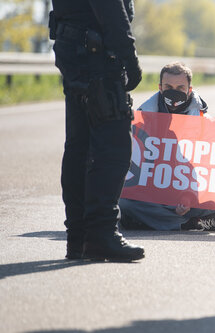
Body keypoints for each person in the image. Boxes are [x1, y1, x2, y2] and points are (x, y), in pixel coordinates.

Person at [50, 0, 145, 261]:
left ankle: (79, 238)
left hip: (75, 48)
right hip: (96, 54)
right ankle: (101, 235)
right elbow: (108, 6)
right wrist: (129, 56)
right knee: (112, 148)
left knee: (80, 145)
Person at [118, 62, 215, 232]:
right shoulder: (141, 119)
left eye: (180, 87)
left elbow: (211, 169)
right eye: (168, 86)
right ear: (160, 88)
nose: (174, 92)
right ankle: (189, 223)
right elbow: (132, 165)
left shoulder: (208, 125)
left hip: (190, 192)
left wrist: (188, 195)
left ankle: (149, 221)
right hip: (154, 192)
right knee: (124, 202)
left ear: (189, 90)